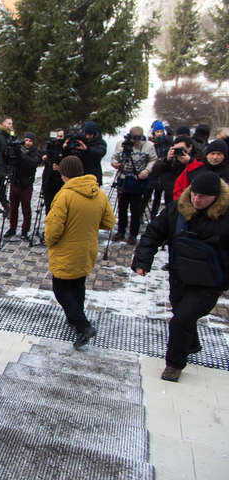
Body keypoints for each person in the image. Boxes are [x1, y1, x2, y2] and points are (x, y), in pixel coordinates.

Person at [132, 172, 229, 382]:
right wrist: (142, 259)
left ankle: (174, 364)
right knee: (181, 312)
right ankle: (191, 344)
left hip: (210, 282)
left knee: (181, 319)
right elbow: (154, 232)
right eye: (194, 194)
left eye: (203, 196)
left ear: (216, 197)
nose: (196, 199)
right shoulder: (178, 208)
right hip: (180, 276)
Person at [45, 156, 115, 349]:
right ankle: (73, 318)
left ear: (64, 174)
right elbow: (109, 222)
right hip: (87, 249)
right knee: (77, 285)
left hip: (66, 251)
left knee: (61, 289)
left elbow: (54, 229)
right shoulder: (98, 192)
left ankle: (83, 325)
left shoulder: (65, 195)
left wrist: (49, 241)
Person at [110, 126, 157, 245]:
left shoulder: (148, 146)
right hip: (123, 179)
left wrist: (147, 170)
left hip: (138, 181)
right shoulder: (121, 144)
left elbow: (153, 160)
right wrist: (115, 163)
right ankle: (121, 231)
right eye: (134, 139)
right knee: (122, 207)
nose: (135, 141)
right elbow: (114, 157)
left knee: (136, 209)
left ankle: (133, 234)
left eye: (138, 139)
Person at [4, 132, 41, 241]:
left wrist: (21, 155)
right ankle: (12, 228)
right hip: (15, 182)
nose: (28, 143)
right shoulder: (18, 149)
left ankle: (25, 230)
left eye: (30, 141)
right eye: (26, 140)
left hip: (26, 185)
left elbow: (33, 163)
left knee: (26, 209)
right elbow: (9, 161)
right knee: (13, 207)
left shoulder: (35, 152)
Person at [145, 121, 174, 219]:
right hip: (152, 172)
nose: (160, 133)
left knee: (158, 196)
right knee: (147, 195)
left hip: (162, 172)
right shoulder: (150, 143)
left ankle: (154, 215)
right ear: (153, 132)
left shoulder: (167, 143)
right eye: (157, 131)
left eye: (161, 131)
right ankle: (141, 214)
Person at [155, 135, 194, 207]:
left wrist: (190, 162)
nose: (179, 151)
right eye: (176, 149)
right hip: (172, 196)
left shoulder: (197, 158)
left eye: (181, 149)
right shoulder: (173, 159)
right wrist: (167, 160)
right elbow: (156, 170)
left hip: (190, 197)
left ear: (190, 147)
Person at [41, 128, 65, 215]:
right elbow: (43, 151)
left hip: (60, 182)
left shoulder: (65, 149)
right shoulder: (49, 146)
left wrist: (60, 167)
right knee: (49, 207)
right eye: (57, 136)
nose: (58, 139)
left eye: (61, 136)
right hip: (48, 182)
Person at [75, 121, 107, 186]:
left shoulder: (100, 142)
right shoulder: (80, 141)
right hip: (80, 174)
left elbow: (100, 152)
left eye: (90, 134)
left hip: (94, 175)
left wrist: (87, 149)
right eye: (86, 134)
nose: (87, 137)